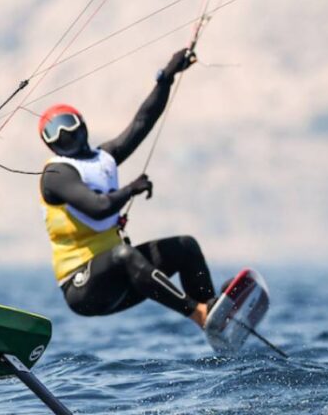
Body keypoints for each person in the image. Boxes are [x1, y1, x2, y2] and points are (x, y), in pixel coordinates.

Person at [38, 48, 218, 328]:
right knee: (124, 254)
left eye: (66, 124)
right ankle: (198, 314)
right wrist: (131, 189)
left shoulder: (104, 158)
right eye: (51, 131)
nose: (61, 133)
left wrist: (166, 77)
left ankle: (214, 314)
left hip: (122, 280)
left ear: (82, 124)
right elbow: (97, 208)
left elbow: (142, 122)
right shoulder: (56, 174)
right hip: (83, 289)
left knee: (185, 246)